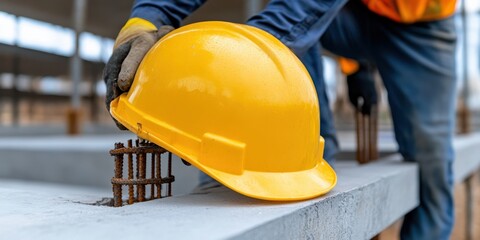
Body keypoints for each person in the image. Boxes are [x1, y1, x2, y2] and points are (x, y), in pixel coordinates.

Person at [103, 1, 457, 239]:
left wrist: (247, 57)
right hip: (347, 11)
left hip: (422, 25)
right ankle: (315, 150)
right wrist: (149, 14)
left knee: (432, 166)